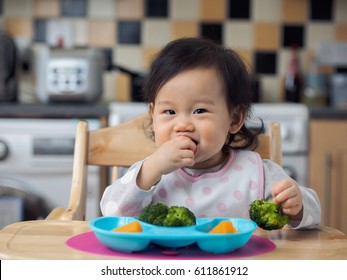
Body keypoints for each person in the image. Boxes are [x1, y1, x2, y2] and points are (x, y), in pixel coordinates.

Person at [100, 37, 320, 229]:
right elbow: (112, 211)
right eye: (169, 111)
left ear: (234, 119)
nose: (183, 125)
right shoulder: (149, 173)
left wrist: (297, 205)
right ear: (153, 115)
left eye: (200, 111)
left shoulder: (256, 172)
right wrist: (152, 169)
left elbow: (315, 214)